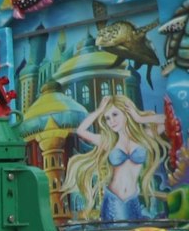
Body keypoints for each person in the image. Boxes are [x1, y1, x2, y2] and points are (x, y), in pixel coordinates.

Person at [66, 92, 166, 224]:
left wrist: (139, 118)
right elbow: (81, 131)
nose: (111, 121)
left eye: (114, 114)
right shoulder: (108, 141)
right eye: (107, 118)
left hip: (133, 199)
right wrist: (99, 110)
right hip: (114, 201)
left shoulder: (143, 137)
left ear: (126, 112)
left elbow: (167, 120)